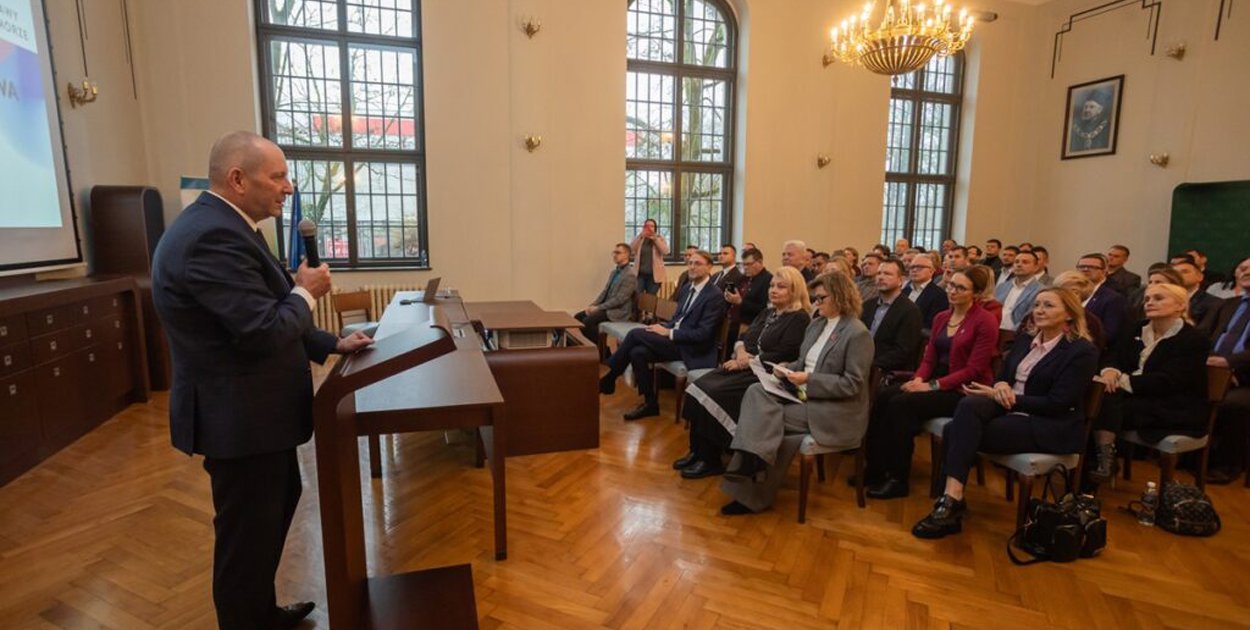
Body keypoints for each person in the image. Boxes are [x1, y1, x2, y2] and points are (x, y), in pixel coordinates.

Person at [150, 131, 375, 629]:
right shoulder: (210, 238)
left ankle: (260, 613)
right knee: (246, 536)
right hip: (239, 419)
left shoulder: (231, 227)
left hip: (255, 418)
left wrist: (331, 343)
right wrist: (306, 292)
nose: (288, 187)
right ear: (237, 179)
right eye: (278, 176)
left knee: (269, 516)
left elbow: (264, 307)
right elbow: (262, 329)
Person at [913, 288, 1098, 539]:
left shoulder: (1081, 351)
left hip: (1047, 422)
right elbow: (1004, 375)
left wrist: (1007, 397)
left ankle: (950, 502)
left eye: (1048, 305)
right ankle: (952, 498)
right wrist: (1000, 385)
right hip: (1009, 406)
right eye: (1037, 304)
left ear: (1069, 314)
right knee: (968, 405)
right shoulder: (1026, 339)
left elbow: (1058, 403)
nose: (1039, 310)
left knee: (953, 429)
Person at [717, 272, 875, 515]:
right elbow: (802, 362)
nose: (816, 304)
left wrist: (809, 379)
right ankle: (750, 460)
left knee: (766, 419)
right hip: (802, 394)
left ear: (840, 297)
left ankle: (751, 471)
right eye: (815, 298)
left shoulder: (857, 333)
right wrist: (784, 369)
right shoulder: (817, 324)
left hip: (833, 409)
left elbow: (851, 384)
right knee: (756, 391)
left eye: (821, 298)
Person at [864, 268, 998, 499]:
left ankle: (898, 479)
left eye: (960, 288)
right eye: (951, 285)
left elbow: (974, 370)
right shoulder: (942, 317)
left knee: (902, 404)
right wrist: (918, 378)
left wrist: (931, 385)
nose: (952, 291)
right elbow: (929, 358)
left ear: (976, 293)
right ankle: (876, 467)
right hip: (934, 378)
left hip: (963, 388)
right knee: (884, 395)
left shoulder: (985, 321)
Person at [676, 267, 811, 479]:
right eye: (772, 286)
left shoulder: (799, 318)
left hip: (766, 375)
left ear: (795, 290)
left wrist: (748, 361)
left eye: (781, 287)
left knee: (713, 393)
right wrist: (740, 352)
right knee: (697, 387)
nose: (773, 290)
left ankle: (710, 459)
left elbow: (787, 352)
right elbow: (745, 337)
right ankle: (697, 451)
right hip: (745, 365)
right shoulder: (768, 312)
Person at [1087, 283, 1210, 483]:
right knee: (1097, 397)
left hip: (1172, 405)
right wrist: (1110, 372)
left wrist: (1121, 381)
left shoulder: (1194, 339)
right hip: (1132, 398)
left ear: (1180, 306)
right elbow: (1113, 355)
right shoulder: (1136, 328)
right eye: (1147, 299)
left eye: (1158, 298)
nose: (1150, 303)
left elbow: (1170, 380)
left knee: (1098, 403)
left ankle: (1099, 464)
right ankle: (1100, 463)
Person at [599, 250, 727, 420]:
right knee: (637, 352)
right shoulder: (687, 289)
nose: (692, 267)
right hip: (677, 341)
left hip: (694, 349)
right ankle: (650, 404)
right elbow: (677, 319)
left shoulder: (714, 296)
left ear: (709, 267)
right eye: (690, 263)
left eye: (697, 263)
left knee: (635, 334)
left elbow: (703, 334)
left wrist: (669, 332)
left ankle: (610, 376)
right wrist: (664, 326)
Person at [1204, 256, 1250, 484]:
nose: (1246, 271)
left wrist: (1229, 364)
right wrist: (1211, 360)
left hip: (1245, 378)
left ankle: (1227, 466)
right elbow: (1204, 336)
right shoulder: (1227, 304)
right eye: (1242, 267)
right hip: (1213, 370)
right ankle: (1193, 458)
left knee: (1233, 405)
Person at [861, 258, 923, 373]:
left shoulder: (910, 311)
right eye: (879, 273)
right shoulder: (868, 305)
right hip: (861, 362)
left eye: (887, 274)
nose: (881, 277)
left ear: (900, 280)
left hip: (884, 371)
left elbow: (903, 351)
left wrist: (871, 364)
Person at [575, 242, 638, 342]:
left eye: (618, 253)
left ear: (626, 255)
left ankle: (602, 349)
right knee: (577, 317)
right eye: (614, 252)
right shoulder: (614, 272)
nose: (615, 255)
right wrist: (593, 305)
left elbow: (619, 300)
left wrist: (598, 308)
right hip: (607, 308)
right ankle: (584, 347)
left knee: (588, 322)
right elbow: (605, 292)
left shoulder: (630, 275)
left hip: (618, 311)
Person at [1077, 253, 1126, 347]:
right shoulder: (1070, 292)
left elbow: (1109, 334)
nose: (1085, 269)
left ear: (1104, 271)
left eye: (1092, 267)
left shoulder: (1113, 297)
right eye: (1081, 267)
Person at [995, 250, 1045, 332]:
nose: (1019, 265)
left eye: (1025, 262)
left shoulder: (1041, 291)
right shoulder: (1002, 286)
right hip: (993, 329)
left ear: (1036, 267)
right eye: (1016, 262)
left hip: (1015, 334)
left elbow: (1029, 319)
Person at [903, 252, 949, 335]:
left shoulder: (939, 295)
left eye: (919, 267)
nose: (914, 270)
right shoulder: (904, 291)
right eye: (912, 267)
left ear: (931, 271)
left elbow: (932, 326)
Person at [1172, 256, 1221, 333]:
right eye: (1175, 273)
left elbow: (1204, 331)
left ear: (1200, 276)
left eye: (1185, 272)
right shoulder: (1164, 299)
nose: (1179, 275)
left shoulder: (1213, 303)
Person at [726, 247, 772, 327]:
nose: (745, 267)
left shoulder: (768, 280)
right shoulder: (743, 278)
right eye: (743, 264)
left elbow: (764, 309)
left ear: (760, 262)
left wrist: (741, 302)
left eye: (748, 264)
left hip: (750, 325)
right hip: (733, 322)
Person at [630, 218, 670, 295]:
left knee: (650, 298)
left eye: (652, 226)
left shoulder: (659, 238)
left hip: (654, 277)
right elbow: (631, 249)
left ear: (655, 228)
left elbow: (665, 251)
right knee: (637, 296)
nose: (649, 228)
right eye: (647, 226)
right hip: (640, 275)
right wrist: (640, 236)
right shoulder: (640, 238)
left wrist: (655, 240)